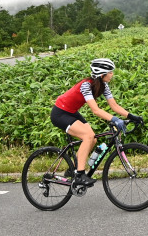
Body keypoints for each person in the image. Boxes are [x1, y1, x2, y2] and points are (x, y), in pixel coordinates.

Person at [51, 58, 142, 188]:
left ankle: (74, 169)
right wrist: (114, 119)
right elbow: (95, 110)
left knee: (92, 138)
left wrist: (131, 116)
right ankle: (80, 175)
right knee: (87, 137)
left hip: (71, 111)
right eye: (110, 72)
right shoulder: (86, 85)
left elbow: (114, 105)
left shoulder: (103, 86)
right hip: (60, 113)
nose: (112, 75)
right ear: (101, 74)